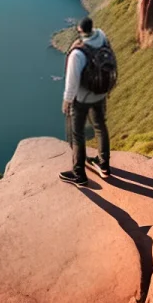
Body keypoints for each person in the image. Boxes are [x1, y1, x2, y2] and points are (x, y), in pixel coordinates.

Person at [59, 16, 112, 186]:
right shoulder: (102, 37)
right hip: (100, 93)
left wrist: (67, 101)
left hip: (82, 98)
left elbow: (72, 81)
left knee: (77, 134)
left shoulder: (78, 53)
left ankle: (79, 174)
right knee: (100, 127)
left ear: (80, 31)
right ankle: (104, 165)